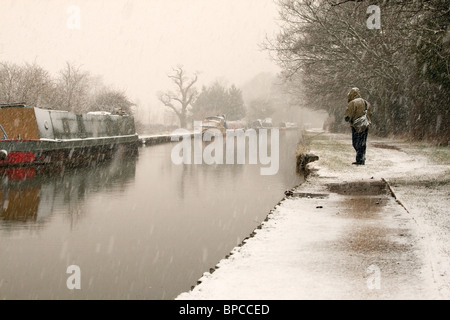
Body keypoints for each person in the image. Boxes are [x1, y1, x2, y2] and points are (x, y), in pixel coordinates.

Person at [344, 87, 372, 165]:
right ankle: (361, 158)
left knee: (355, 143)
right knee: (363, 142)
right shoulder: (366, 102)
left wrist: (348, 118)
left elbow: (348, 115)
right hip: (365, 125)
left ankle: (360, 158)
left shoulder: (352, 103)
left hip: (356, 125)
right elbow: (370, 113)